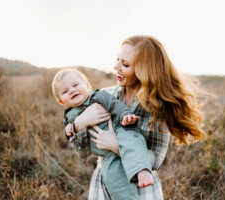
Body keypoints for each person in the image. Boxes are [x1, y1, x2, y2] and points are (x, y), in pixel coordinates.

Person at [68, 35, 206, 199]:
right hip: (103, 182)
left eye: (125, 64)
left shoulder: (156, 107)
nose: (115, 67)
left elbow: (156, 160)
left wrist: (116, 146)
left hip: (139, 187)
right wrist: (78, 123)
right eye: (117, 59)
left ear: (143, 71)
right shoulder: (106, 95)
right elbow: (82, 152)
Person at [51, 69, 155, 200]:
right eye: (65, 91)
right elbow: (80, 149)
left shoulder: (98, 96)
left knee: (132, 140)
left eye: (75, 85)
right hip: (106, 156)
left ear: (87, 85)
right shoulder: (68, 118)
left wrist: (125, 115)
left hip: (119, 130)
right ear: (61, 101)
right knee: (114, 181)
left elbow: (114, 104)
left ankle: (142, 171)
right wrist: (73, 128)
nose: (71, 90)